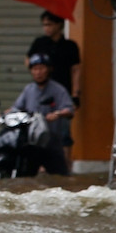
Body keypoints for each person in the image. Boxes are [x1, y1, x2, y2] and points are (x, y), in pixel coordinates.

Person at [0, 53, 74, 176]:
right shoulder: (29, 89)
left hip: (51, 142)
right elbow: (16, 108)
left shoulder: (58, 90)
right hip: (31, 143)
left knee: (60, 177)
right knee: (25, 177)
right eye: (35, 69)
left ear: (49, 69)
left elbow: (69, 109)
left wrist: (57, 114)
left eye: (41, 68)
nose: (38, 72)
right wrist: (1, 116)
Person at [26, 10, 81, 165]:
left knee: (63, 133)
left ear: (59, 25)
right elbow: (28, 60)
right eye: (44, 25)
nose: (46, 28)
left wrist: (75, 94)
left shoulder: (69, 46)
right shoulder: (40, 44)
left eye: (49, 25)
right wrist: (39, 72)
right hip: (41, 93)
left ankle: (64, 165)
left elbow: (76, 70)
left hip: (61, 94)